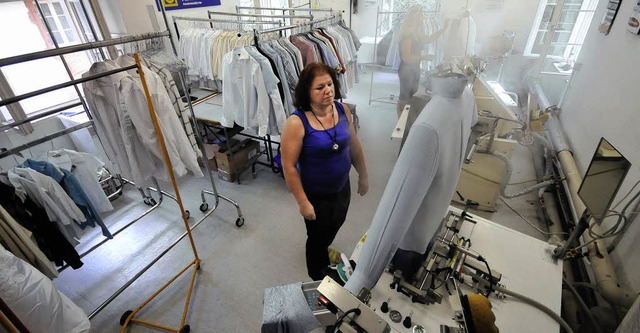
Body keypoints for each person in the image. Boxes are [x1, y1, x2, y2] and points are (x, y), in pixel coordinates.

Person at [281, 62, 369, 281]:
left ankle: (324, 248)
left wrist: (363, 175)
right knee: (317, 235)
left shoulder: (342, 110)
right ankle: (317, 272)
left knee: (336, 223)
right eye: (320, 87)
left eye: (329, 84)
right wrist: (302, 202)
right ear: (307, 92)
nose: (328, 90)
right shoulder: (296, 122)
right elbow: (289, 166)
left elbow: (354, 144)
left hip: (342, 186)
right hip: (316, 194)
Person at [397, 5, 449, 117]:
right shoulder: (408, 34)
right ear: (415, 18)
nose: (423, 18)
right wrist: (424, 57)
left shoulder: (416, 32)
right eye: (421, 16)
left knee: (411, 95)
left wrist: (443, 29)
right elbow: (406, 57)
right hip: (406, 71)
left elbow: (428, 39)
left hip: (414, 68)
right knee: (404, 97)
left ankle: (405, 121)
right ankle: (399, 126)